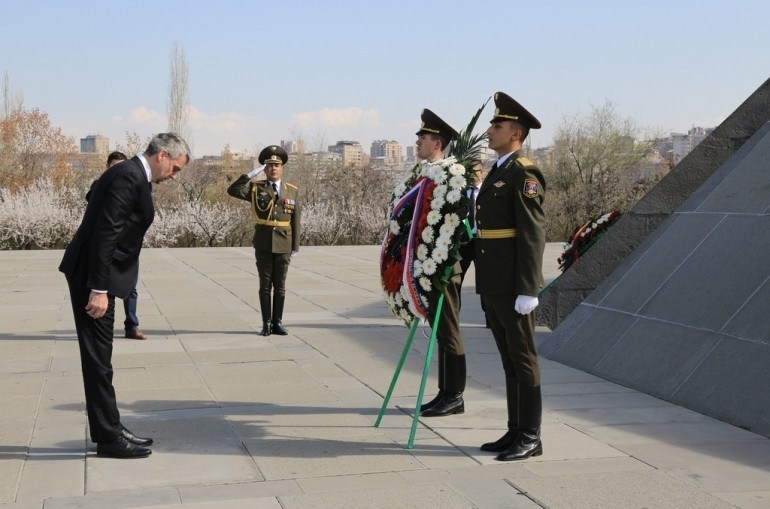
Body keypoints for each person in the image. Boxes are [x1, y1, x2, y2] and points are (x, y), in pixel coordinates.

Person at [59, 133, 191, 458]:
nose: (174, 176)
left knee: (102, 358)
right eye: (175, 168)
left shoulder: (134, 176)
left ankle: (112, 427)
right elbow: (106, 233)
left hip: (100, 277)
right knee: (98, 360)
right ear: (162, 155)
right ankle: (108, 438)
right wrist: (99, 289)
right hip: (92, 279)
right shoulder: (127, 176)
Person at [475, 92, 546, 461]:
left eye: (497, 125)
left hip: (512, 285)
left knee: (523, 357)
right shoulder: (500, 169)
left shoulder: (524, 172)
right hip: (494, 283)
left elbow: (532, 233)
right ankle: (515, 429)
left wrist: (528, 288)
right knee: (507, 358)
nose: (489, 130)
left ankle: (531, 435)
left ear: (515, 132)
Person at [412, 109, 467, 418]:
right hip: (426, 264)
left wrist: (436, 257)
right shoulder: (424, 173)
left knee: (448, 330)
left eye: (422, 136)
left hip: (443, 266)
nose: (417, 140)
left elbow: (454, 218)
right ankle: (445, 392)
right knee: (439, 330)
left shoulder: (450, 173)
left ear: (437, 142)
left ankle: (454, 394)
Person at [227, 145, 301, 336]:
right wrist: (250, 174)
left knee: (281, 286)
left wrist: (295, 245)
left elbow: (296, 220)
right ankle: (266, 323)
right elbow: (233, 190)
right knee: (265, 286)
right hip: (264, 242)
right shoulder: (255, 188)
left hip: (284, 243)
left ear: (282, 168)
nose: (273, 169)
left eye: (276, 165)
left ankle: (278, 323)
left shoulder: (291, 190)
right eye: (269, 166)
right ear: (265, 169)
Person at [87, 151, 146, 340]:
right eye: (114, 166)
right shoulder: (100, 185)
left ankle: (132, 325)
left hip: (126, 246)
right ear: (108, 167)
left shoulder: (138, 184)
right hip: (105, 244)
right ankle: (100, 327)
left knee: (131, 287)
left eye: (122, 165)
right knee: (101, 288)